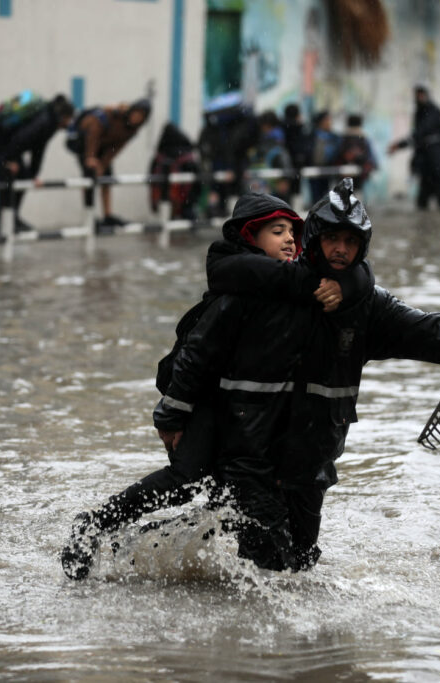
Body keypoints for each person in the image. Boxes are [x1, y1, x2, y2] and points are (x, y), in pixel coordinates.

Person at [155, 179, 440, 571]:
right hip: (248, 456)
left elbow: (431, 331)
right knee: (272, 569)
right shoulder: (263, 287)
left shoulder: (366, 307)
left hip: (310, 461)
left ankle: (168, 556)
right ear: (316, 239)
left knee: (301, 563)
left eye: (351, 241)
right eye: (333, 238)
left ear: (363, 247)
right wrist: (172, 414)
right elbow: (199, 351)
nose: (341, 249)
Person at [61, 192, 348, 579]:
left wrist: (350, 285)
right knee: (184, 479)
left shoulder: (285, 285)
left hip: (241, 414)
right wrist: (172, 414)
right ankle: (96, 524)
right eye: (277, 231)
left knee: (227, 498)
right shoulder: (240, 283)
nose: (288, 240)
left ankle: (139, 548)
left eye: (293, 233)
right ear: (250, 236)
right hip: (205, 403)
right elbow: (196, 356)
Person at [0, 93, 73, 234]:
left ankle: (11, 219)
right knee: (7, 181)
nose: (69, 124)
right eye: (69, 119)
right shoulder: (46, 121)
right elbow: (22, 139)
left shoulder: (49, 120)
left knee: (22, 177)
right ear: (63, 116)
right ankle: (4, 224)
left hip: (8, 145)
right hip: (0, 144)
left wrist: (33, 174)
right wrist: (10, 161)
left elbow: (38, 149)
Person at [65, 98, 151, 227]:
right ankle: (89, 216)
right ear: (132, 110)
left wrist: (103, 164)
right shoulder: (114, 114)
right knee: (89, 176)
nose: (137, 118)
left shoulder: (133, 130)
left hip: (102, 146)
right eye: (136, 113)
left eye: (141, 117)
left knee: (107, 177)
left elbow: (116, 148)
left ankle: (107, 215)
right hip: (84, 140)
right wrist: (90, 157)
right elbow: (93, 131)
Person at [387, 85, 440, 210]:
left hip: (438, 162)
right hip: (428, 163)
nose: (420, 98)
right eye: (418, 95)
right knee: (423, 200)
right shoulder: (420, 112)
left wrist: (399, 145)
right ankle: (427, 227)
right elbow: (419, 136)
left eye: (422, 95)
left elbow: (420, 133)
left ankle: (436, 227)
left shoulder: (432, 111)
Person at [148, 122, 200, 221]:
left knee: (167, 224)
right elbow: (197, 179)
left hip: (165, 198)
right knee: (188, 225)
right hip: (186, 199)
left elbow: (151, 178)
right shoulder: (186, 153)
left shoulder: (161, 155)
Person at [247, 110, 294, 201]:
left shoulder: (273, 139)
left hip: (274, 184)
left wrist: (284, 179)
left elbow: (283, 160)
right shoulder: (279, 136)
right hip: (272, 183)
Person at [336, 113, 378, 193]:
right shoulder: (363, 138)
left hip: (343, 171)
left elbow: (337, 154)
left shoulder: (342, 138)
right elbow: (370, 156)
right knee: (358, 190)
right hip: (360, 170)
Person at [307, 110, 340, 203]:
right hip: (313, 170)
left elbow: (337, 152)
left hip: (329, 170)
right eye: (327, 120)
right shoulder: (312, 136)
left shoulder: (334, 137)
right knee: (316, 197)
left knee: (327, 196)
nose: (329, 122)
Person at [282, 103, 309, 200]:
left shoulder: (282, 128)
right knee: (296, 191)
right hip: (297, 163)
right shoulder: (299, 128)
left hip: (283, 163)